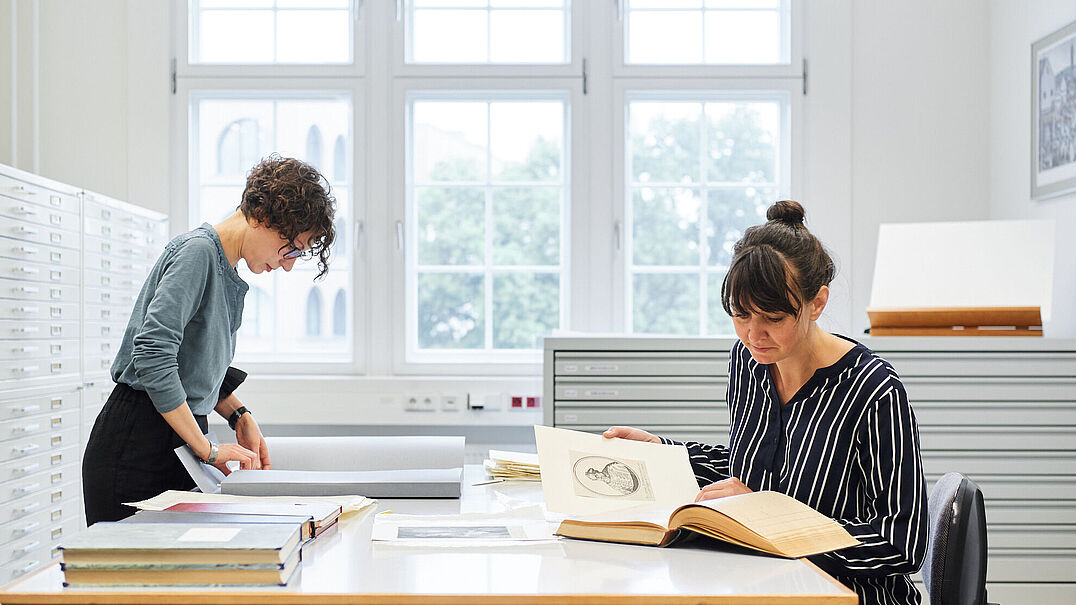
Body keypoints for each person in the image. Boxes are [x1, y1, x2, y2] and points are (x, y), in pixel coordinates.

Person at [604, 200, 928, 605]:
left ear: (817, 303)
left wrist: (772, 525)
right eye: (741, 315)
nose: (754, 334)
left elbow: (901, 542)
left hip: (848, 595)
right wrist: (661, 453)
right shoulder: (748, 361)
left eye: (773, 318)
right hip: (760, 582)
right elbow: (754, 468)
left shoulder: (873, 389)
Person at [82, 155, 336, 525]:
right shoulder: (198, 253)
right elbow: (153, 355)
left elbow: (194, 364)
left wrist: (239, 415)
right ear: (262, 216)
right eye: (292, 248)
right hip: (138, 443)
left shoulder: (225, 269)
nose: (289, 264)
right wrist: (208, 449)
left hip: (176, 439)